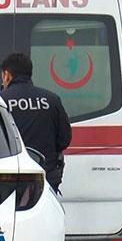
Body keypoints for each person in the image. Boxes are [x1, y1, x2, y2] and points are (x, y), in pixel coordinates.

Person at [0, 53, 72, 193]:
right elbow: (64, 140)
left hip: (8, 180)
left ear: (7, 75)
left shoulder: (2, 101)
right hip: (45, 178)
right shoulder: (51, 100)